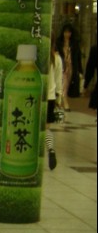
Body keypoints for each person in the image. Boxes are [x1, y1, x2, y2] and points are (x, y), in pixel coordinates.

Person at [45, 38, 64, 170]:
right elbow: (58, 80)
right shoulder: (56, 59)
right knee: (46, 128)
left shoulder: (39, 55)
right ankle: (50, 149)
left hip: (35, 96)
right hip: (50, 98)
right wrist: (59, 98)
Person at [56, 22, 82, 111]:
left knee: (67, 84)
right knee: (63, 84)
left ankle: (60, 102)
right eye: (66, 32)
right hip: (62, 66)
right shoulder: (59, 42)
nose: (67, 34)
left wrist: (80, 70)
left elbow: (78, 57)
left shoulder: (74, 43)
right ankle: (64, 102)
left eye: (69, 32)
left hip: (71, 67)